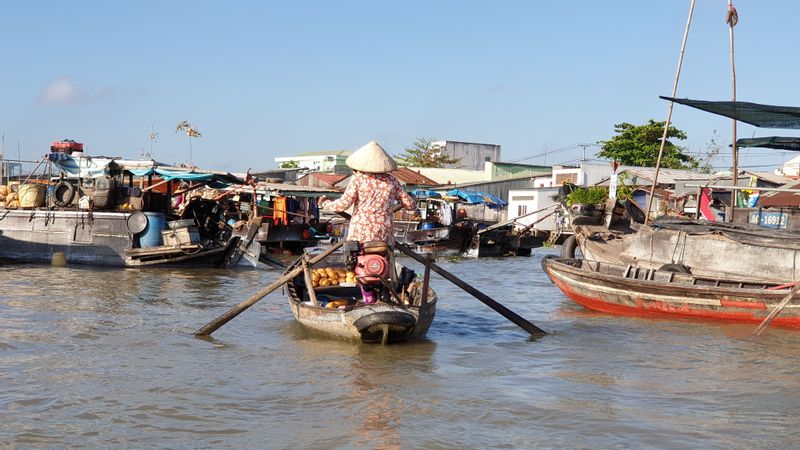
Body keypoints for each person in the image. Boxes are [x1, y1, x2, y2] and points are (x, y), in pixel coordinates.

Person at [319, 141, 415, 244]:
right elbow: (410, 205)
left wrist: (325, 203)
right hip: (384, 233)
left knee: (353, 256)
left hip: (360, 233)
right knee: (387, 255)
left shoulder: (358, 179)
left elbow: (343, 205)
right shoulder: (392, 180)